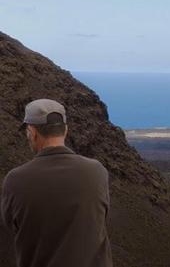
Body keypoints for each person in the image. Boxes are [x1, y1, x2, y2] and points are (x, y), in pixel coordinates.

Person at [1, 99, 113, 267]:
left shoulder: (16, 180)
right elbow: (102, 215)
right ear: (65, 130)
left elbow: (11, 224)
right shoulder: (97, 172)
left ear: (32, 132)